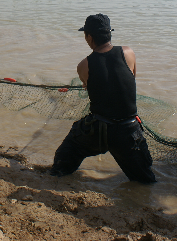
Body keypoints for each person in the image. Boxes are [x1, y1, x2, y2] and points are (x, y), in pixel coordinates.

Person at [49, 14, 156, 184]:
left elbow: (89, 85)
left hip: (97, 130)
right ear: (109, 34)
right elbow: (130, 79)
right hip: (129, 130)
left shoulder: (84, 65)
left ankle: (58, 180)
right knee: (145, 180)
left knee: (63, 159)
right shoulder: (128, 53)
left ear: (89, 37)